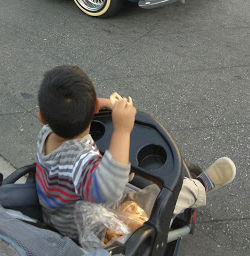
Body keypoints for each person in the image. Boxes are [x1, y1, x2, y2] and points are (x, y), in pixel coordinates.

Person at [36, 65, 236, 242]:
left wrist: (106, 104)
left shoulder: (46, 134)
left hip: (58, 216)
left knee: (112, 159)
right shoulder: (81, 162)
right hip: (94, 228)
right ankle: (199, 187)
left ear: (42, 117)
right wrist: (122, 130)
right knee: (159, 199)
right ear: (95, 108)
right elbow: (109, 190)